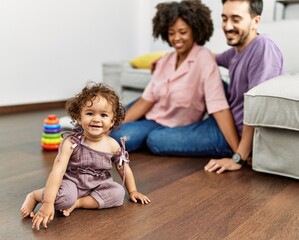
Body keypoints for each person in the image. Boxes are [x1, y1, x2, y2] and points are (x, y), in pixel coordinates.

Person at [110, 0, 240, 157]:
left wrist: (238, 153)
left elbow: (219, 106)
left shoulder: (203, 58)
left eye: (183, 32)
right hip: (152, 119)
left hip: (179, 128)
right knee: (116, 135)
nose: (176, 38)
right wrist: (112, 125)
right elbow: (146, 101)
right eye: (171, 33)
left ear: (194, 30)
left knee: (149, 140)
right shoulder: (166, 60)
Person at [20, 82, 150, 230]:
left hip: (98, 186)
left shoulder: (113, 145)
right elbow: (58, 171)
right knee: (64, 199)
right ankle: (36, 195)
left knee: (118, 194)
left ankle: (79, 203)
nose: (96, 119)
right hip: (72, 184)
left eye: (103, 115)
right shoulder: (72, 142)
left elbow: (123, 169)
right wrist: (48, 203)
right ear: (79, 118)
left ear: (112, 121)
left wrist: (133, 191)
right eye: (90, 113)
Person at [204, 0, 284, 173]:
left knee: (157, 140)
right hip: (228, 119)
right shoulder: (237, 50)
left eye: (236, 19)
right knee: (207, 73)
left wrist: (238, 157)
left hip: (238, 137)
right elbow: (210, 57)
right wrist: (164, 58)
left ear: (256, 21)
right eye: (224, 19)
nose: (227, 26)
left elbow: (257, 107)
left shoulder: (262, 48)